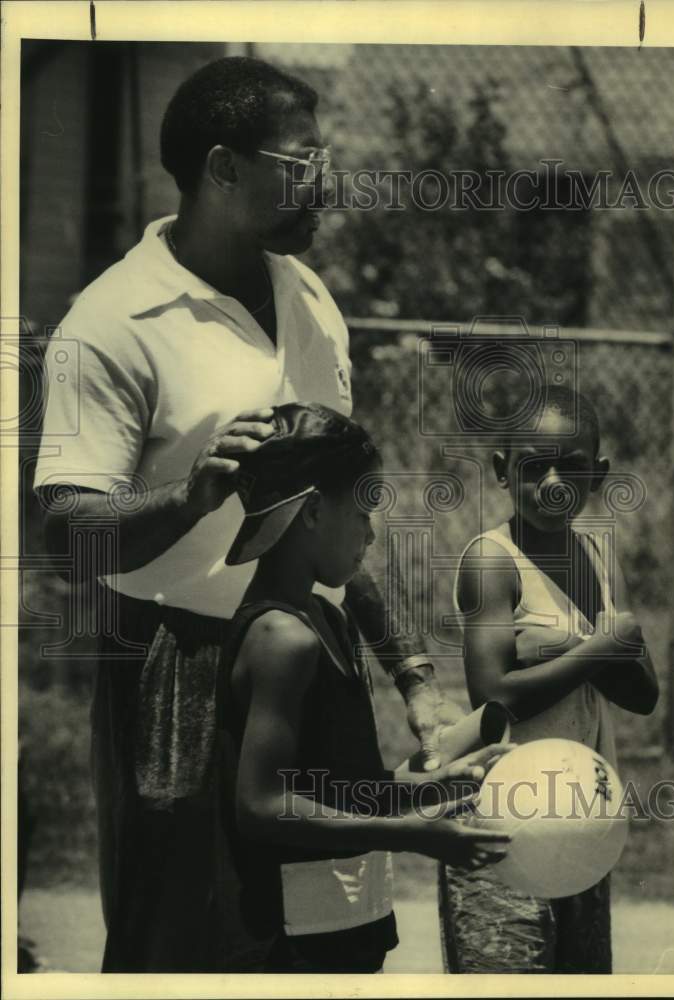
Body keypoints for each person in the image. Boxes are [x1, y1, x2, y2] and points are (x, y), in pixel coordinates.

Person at [33, 56, 461, 972]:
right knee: (191, 951)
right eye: (302, 161)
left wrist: (413, 677)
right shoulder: (111, 323)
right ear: (224, 168)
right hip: (179, 676)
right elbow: (67, 537)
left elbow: (328, 507)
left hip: (310, 659)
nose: (325, 181)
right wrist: (189, 497)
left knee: (333, 946)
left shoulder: (306, 295)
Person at [215, 401, 512, 972]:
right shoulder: (281, 638)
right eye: (361, 512)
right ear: (309, 513)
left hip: (345, 928)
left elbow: (339, 789)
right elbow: (262, 805)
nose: (371, 534)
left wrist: (434, 789)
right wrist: (413, 835)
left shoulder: (331, 622)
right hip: (283, 945)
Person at [438, 384, 659, 974]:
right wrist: (601, 647)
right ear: (503, 471)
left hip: (580, 819)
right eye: (535, 467)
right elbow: (495, 696)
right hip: (502, 824)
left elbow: (643, 694)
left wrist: (560, 648)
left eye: (574, 468)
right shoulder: (493, 561)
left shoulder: (598, 559)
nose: (553, 482)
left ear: (599, 475)